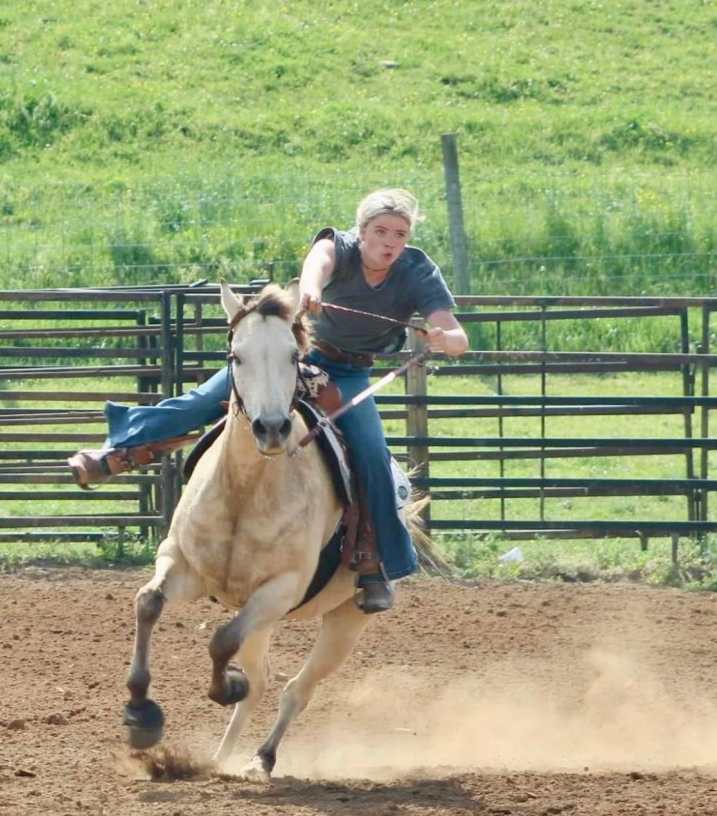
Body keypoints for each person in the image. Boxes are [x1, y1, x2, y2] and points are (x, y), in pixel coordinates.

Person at [68, 188, 468, 612]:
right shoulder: (338, 247)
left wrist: (447, 339)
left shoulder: (418, 271)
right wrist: (310, 291)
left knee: (370, 452)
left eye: (399, 234)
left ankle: (375, 563)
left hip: (349, 374)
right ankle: (114, 452)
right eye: (380, 231)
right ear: (362, 230)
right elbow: (316, 265)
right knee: (202, 401)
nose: (389, 242)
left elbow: (457, 336)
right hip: (288, 358)